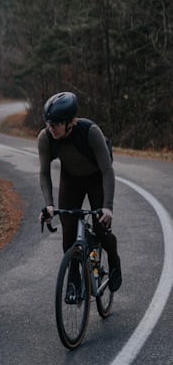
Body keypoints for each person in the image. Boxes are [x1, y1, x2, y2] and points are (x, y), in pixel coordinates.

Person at [38, 91, 122, 293]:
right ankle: (73, 277)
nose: (51, 128)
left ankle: (113, 260)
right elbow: (44, 173)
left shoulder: (90, 131)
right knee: (68, 230)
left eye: (56, 124)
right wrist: (49, 205)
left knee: (101, 227)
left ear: (69, 122)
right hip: (71, 179)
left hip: (96, 178)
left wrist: (107, 207)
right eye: (48, 123)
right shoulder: (46, 138)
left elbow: (107, 170)